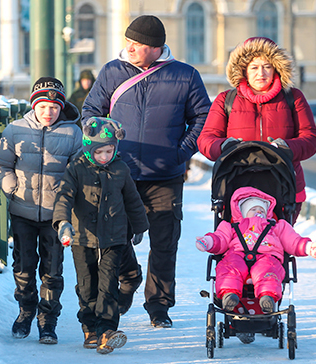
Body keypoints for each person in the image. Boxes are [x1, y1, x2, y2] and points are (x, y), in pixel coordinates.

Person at [82, 14, 211, 328]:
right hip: (119, 174)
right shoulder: (112, 71)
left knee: (164, 244)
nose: (129, 48)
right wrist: (101, 142)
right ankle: (129, 280)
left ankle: (159, 306)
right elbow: (90, 113)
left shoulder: (186, 75)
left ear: (155, 47)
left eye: (136, 44)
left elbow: (203, 118)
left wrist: (179, 153)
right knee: (115, 239)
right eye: (128, 42)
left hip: (165, 177)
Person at [0, 77, 82, 344]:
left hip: (57, 215)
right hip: (23, 211)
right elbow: (1, 164)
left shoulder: (72, 133)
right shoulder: (15, 129)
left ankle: (48, 320)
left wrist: (69, 198)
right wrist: (11, 188)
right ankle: (26, 310)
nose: (48, 112)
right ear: (34, 106)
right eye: (43, 106)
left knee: (52, 270)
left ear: (61, 108)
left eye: (54, 107)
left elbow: (78, 170)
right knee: (24, 266)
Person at [53, 117, 149, 354]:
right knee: (87, 284)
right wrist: (63, 222)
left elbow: (133, 200)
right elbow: (64, 196)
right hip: (82, 236)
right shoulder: (76, 168)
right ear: (88, 148)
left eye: (109, 151)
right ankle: (90, 327)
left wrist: (139, 227)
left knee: (108, 284)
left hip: (114, 237)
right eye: (100, 152)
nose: (105, 156)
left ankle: (107, 330)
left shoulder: (120, 169)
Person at [197, 37, 316, 221]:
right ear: (244, 70)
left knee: (277, 245)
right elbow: (206, 140)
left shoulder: (293, 98)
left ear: (276, 68)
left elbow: (310, 139)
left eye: (267, 66)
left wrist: (287, 147)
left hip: (284, 188)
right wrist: (224, 146)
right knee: (239, 245)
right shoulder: (226, 100)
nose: (261, 73)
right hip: (237, 188)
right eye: (254, 67)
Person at [195, 186, 316, 314]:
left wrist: (308, 248)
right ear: (242, 212)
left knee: (268, 270)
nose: (259, 212)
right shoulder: (232, 226)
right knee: (230, 266)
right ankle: (229, 294)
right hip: (237, 255)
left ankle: (267, 297)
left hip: (266, 257)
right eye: (253, 209)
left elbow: (293, 240)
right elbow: (220, 238)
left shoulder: (276, 226)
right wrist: (207, 242)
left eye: (262, 209)